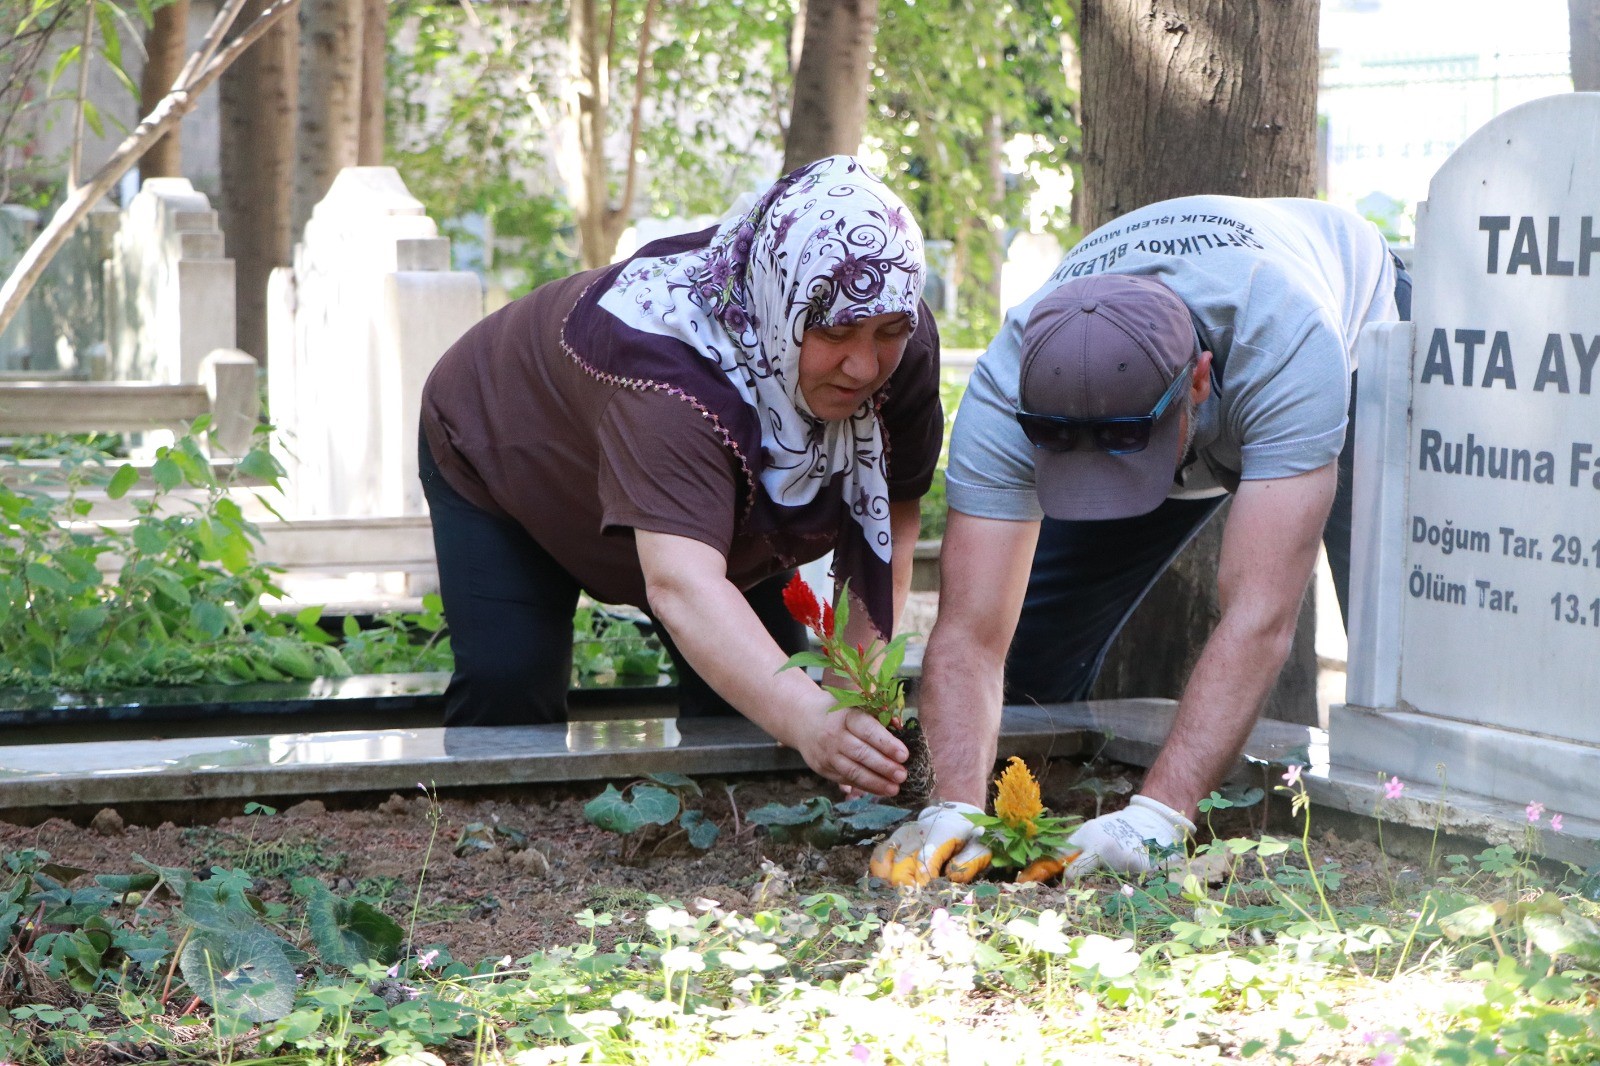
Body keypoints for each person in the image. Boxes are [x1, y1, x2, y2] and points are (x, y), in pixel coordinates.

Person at [871, 194, 1411, 885]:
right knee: (1035, 652)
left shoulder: (1287, 338)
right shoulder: (1009, 385)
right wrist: (953, 803)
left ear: (1197, 383)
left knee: (1392, 655)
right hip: (1148, 399)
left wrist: (1159, 815)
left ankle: (1404, 843)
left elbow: (1260, 613)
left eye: (1126, 452)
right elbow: (971, 632)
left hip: (1355, 345)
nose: (1103, 487)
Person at [419, 155, 942, 797]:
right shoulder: (669, 375)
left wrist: (852, 696)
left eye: (887, 331)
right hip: (511, 457)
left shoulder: (894, 329)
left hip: (722, 504)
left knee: (753, 703)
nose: (864, 366)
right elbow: (684, 585)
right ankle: (486, 845)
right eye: (835, 332)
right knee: (512, 683)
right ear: (781, 303)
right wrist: (811, 719)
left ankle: (720, 832)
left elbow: (890, 517)